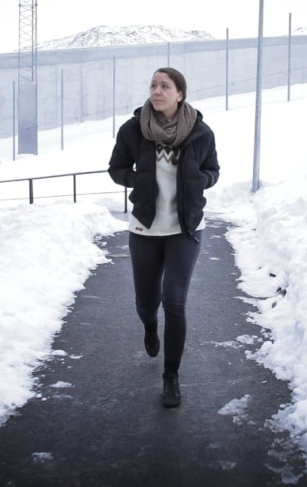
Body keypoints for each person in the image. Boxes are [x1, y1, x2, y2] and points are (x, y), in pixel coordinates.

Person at [108, 67, 220, 408]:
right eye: (153, 85)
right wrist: (139, 180)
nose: (157, 91)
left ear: (180, 94)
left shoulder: (200, 133)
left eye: (165, 86)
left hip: (185, 228)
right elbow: (116, 169)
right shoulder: (133, 130)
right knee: (147, 302)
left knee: (174, 301)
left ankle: (171, 376)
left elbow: (213, 171)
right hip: (145, 228)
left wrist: (199, 180)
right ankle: (149, 325)